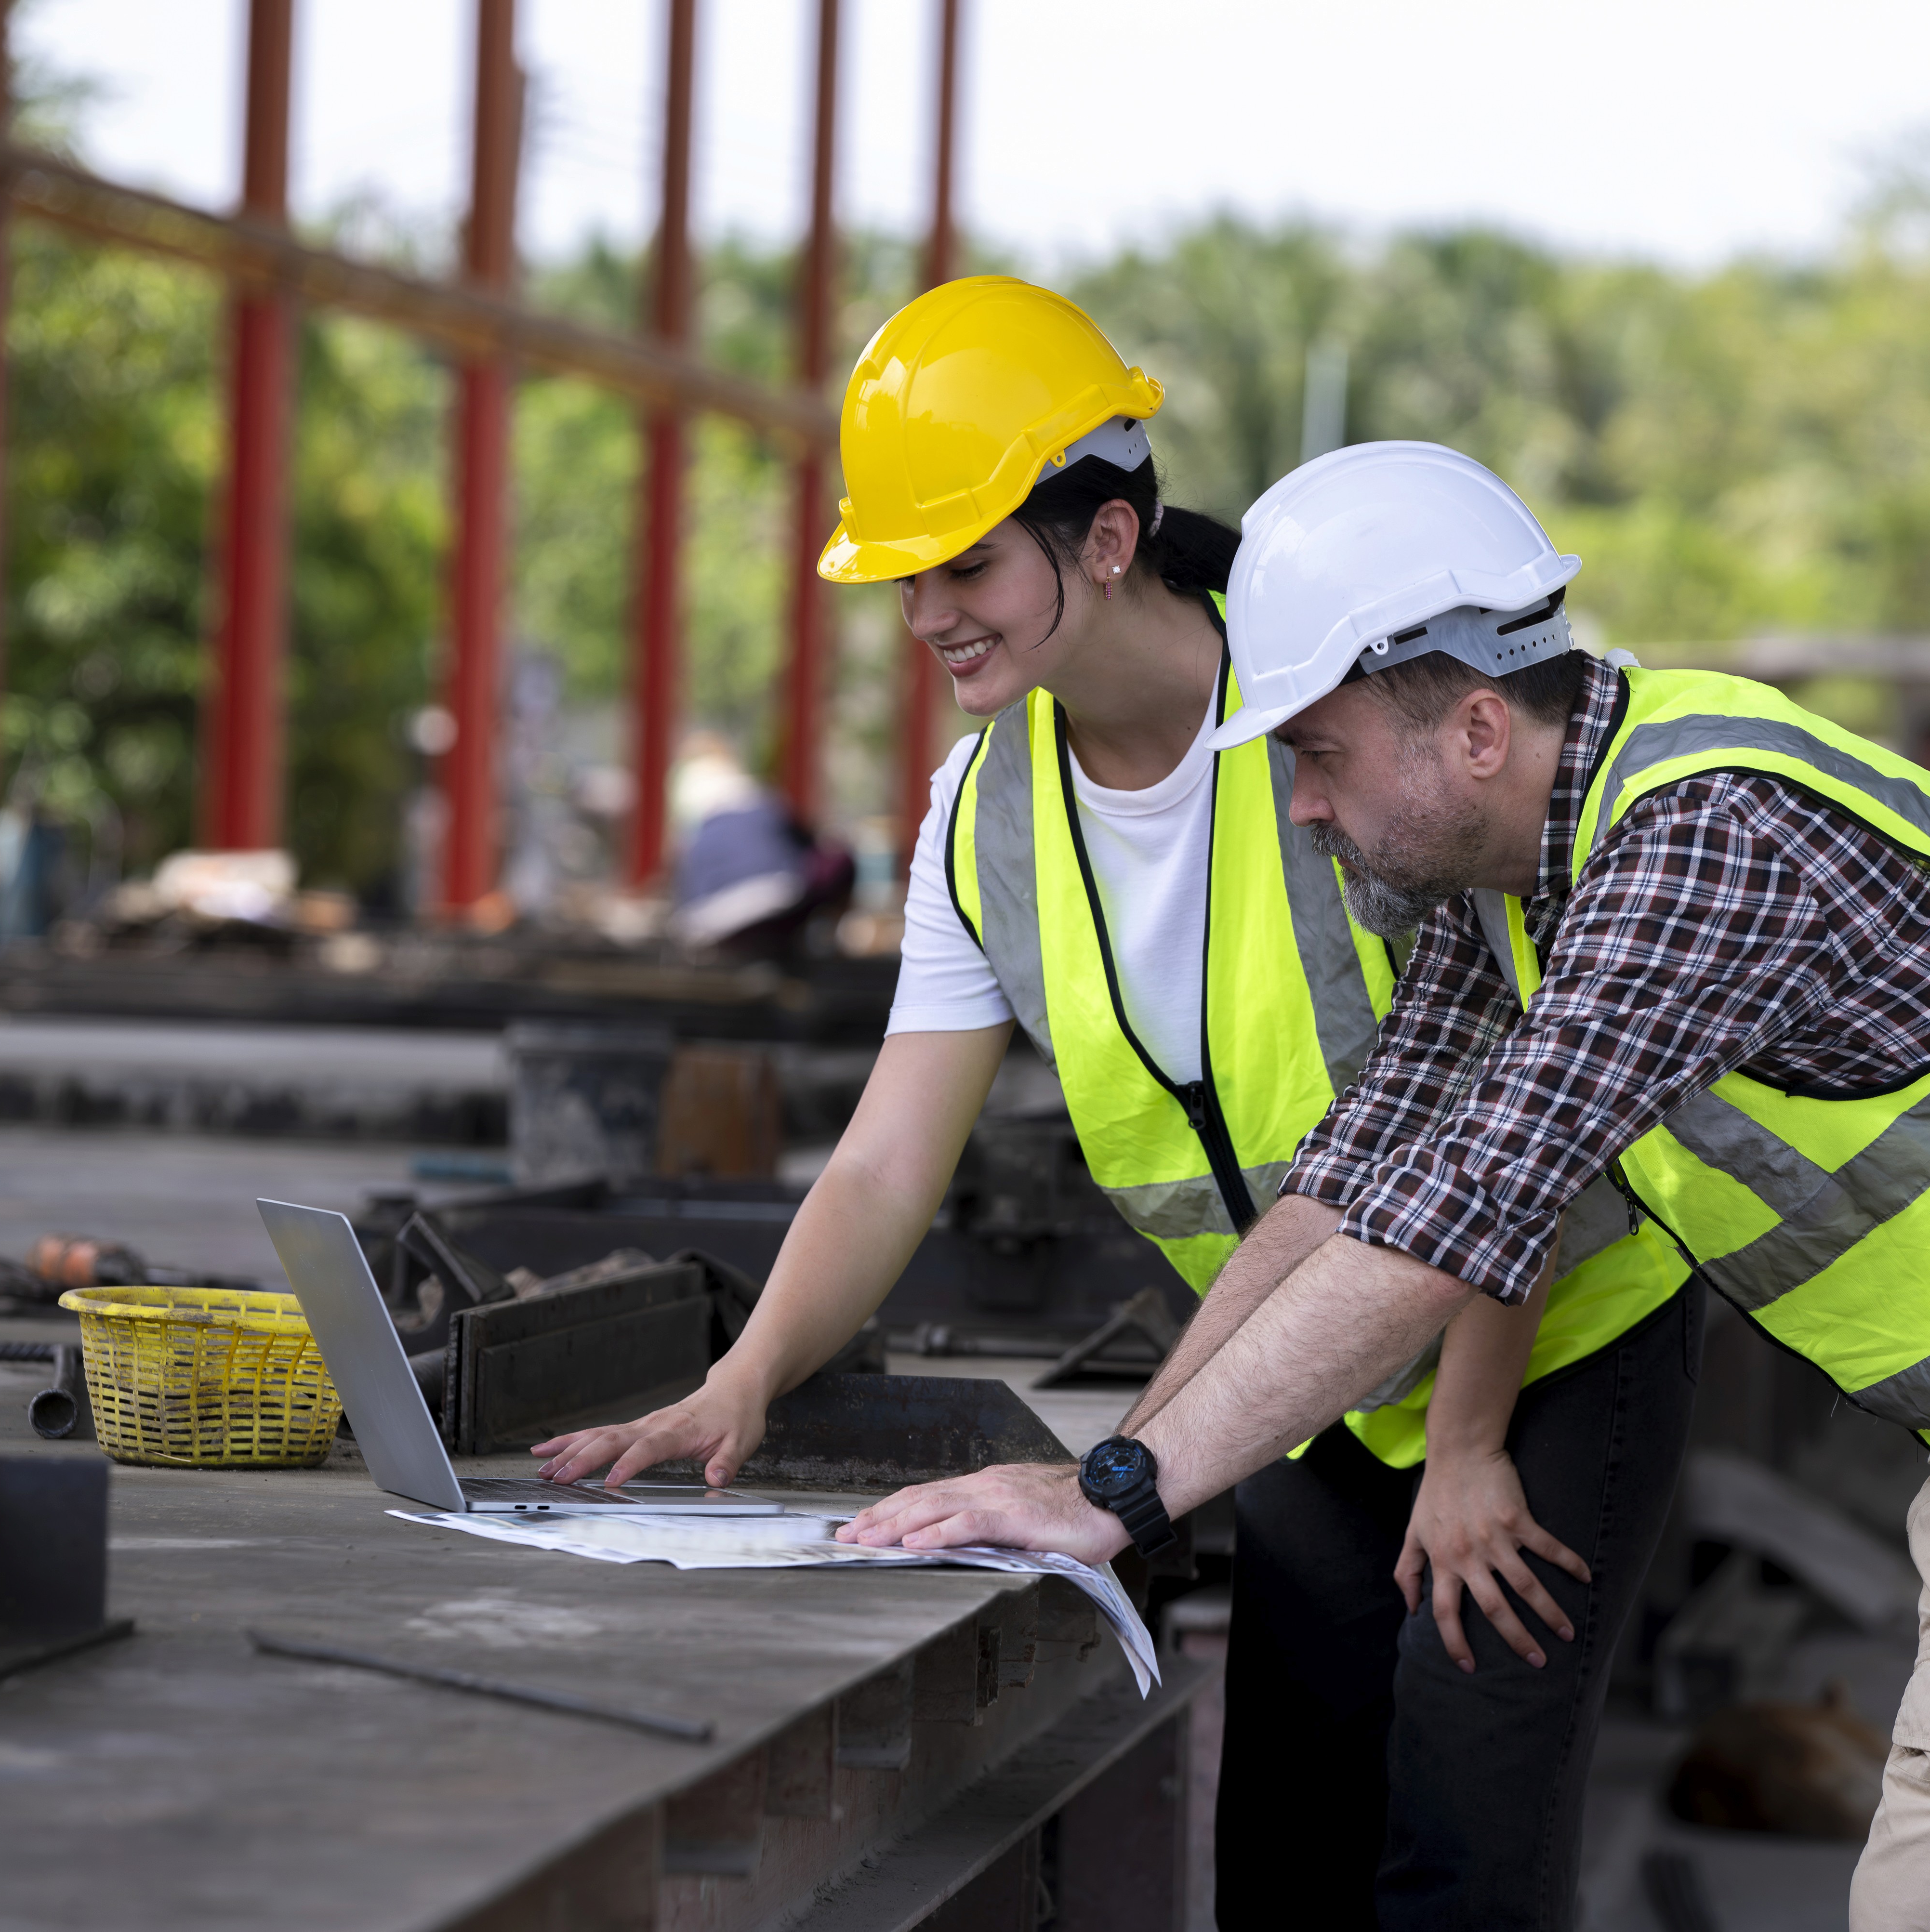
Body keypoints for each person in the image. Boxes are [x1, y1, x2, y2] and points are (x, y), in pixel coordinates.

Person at [839, 441, 1930, 1930]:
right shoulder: (1512, 889)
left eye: (1318, 752)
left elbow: (1455, 1229)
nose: (1300, 805)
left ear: (1474, 733)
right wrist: (1116, 1465)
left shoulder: (1693, 840)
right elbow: (1349, 1188)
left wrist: (1119, 1494)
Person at [528, 285, 1696, 1926]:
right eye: (907, 577)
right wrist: (740, 1380)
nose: (932, 614)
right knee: (1285, 1859)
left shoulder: (1338, 733)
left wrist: (1469, 1440)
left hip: (1545, 1345)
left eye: (968, 564)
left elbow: (1524, 1127)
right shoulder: (982, 813)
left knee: (1456, 1858)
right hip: (1282, 1360)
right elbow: (883, 1157)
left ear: (1106, 536)